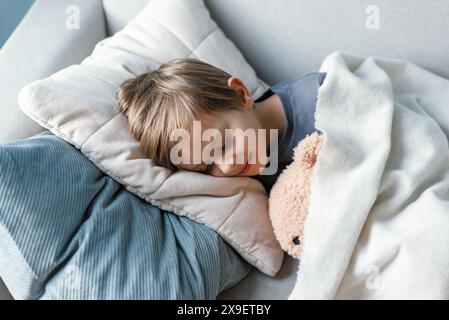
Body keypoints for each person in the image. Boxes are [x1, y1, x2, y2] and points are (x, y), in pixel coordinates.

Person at [115, 58, 326, 193]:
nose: (226, 166)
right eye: (207, 167)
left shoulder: (320, 99)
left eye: (222, 145)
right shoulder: (255, 178)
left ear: (241, 94)